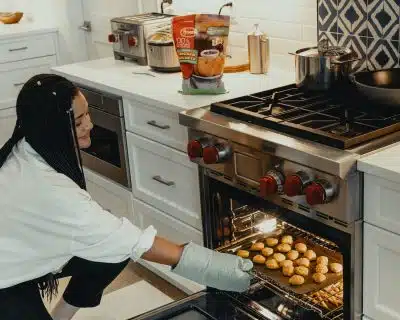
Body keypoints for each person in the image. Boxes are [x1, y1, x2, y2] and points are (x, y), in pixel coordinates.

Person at [0, 74, 253, 320]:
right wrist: (216, 267)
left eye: (86, 113)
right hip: (5, 281)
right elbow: (135, 242)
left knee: (111, 251)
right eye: (77, 122)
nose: (89, 125)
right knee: (119, 243)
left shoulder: (29, 145)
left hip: (16, 252)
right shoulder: (50, 190)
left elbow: (115, 239)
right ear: (51, 128)